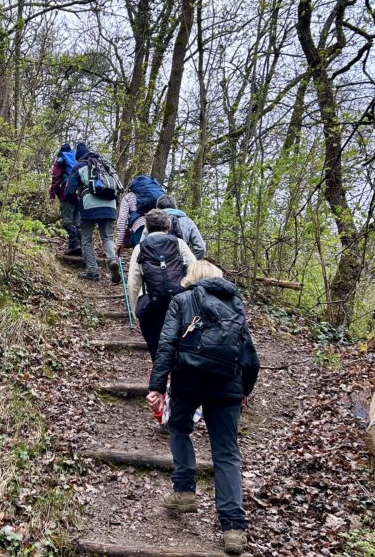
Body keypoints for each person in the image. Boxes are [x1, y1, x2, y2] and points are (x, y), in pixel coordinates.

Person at [147, 260, 259, 556]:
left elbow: (167, 343)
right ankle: (233, 528)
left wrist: (157, 386)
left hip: (188, 380)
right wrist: (244, 390)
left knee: (179, 428)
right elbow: (248, 351)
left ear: (192, 277)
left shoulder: (183, 299)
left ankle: (184, 491)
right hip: (227, 386)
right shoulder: (235, 303)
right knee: (226, 453)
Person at [125, 209, 197, 358]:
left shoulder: (140, 248)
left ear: (147, 227)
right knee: (180, 347)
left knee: (157, 351)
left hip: (152, 307)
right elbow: (196, 272)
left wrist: (134, 312)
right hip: (179, 305)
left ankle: (162, 377)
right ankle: (176, 377)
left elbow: (133, 283)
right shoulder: (179, 244)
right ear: (168, 225)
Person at [64, 143, 120, 282]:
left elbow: (69, 191)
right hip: (110, 205)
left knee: (87, 239)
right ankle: (112, 260)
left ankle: (92, 271)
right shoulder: (104, 165)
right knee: (107, 237)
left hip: (89, 205)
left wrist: (78, 203)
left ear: (78, 157)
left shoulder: (79, 166)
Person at [49, 143, 81, 255]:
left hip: (66, 194)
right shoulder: (77, 161)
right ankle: (78, 247)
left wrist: (52, 195)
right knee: (77, 222)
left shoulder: (60, 161)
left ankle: (76, 244)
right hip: (79, 194)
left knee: (67, 221)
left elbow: (56, 179)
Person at [156, 195, 207, 260]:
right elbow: (201, 248)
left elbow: (142, 246)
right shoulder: (187, 221)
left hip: (156, 266)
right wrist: (191, 263)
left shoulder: (152, 221)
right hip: (182, 265)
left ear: (157, 208)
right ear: (175, 207)